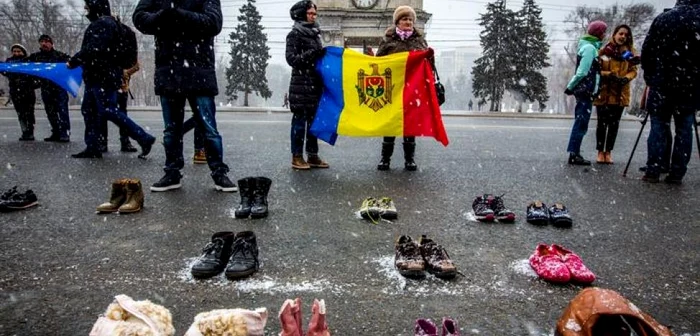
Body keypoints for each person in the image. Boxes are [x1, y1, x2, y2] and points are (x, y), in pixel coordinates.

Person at [134, 0, 237, 192]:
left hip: (199, 70)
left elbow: (214, 22)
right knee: (172, 129)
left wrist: (180, 16)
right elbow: (139, 18)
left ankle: (219, 172)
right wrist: (163, 16)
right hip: (170, 70)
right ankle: (172, 172)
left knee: (208, 128)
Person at [67, 0, 156, 159]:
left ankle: (143, 138)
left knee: (108, 110)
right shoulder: (107, 23)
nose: (85, 10)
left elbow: (94, 49)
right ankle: (92, 147)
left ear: (96, 7)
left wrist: (74, 60)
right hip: (98, 75)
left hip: (102, 76)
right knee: (90, 110)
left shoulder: (103, 24)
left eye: (88, 6)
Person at [641, 0, 699, 184]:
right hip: (690, 85)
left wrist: (651, 77)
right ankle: (677, 173)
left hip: (662, 82)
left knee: (659, 125)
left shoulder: (664, 18)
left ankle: (653, 170)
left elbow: (647, 51)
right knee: (684, 129)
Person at [375, 5, 429, 171]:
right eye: (405, 19)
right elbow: (378, 63)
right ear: (397, 22)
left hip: (413, 89)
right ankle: (385, 159)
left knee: (410, 124)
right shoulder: (388, 41)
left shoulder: (419, 41)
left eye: (411, 20)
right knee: (390, 124)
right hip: (392, 90)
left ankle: (409, 160)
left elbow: (428, 64)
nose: (409, 22)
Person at [285, 0, 330, 170]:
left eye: (314, 13)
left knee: (314, 123)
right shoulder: (294, 34)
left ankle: (312, 156)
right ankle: (296, 156)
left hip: (315, 84)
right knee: (299, 123)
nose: (313, 16)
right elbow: (292, 59)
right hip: (301, 84)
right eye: (310, 13)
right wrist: (313, 53)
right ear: (301, 14)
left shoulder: (315, 33)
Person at [593, 24, 640, 164]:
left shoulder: (630, 53)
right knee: (602, 124)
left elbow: (634, 70)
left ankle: (608, 152)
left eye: (626, 35)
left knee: (614, 125)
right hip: (605, 92)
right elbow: (595, 70)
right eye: (621, 33)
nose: (623, 37)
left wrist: (626, 78)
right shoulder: (604, 51)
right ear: (614, 34)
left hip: (620, 94)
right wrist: (609, 75)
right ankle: (600, 152)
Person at [564, 20, 607, 166]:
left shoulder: (590, 47)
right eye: (603, 32)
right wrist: (570, 87)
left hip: (586, 90)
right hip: (585, 90)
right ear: (598, 33)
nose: (605, 35)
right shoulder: (589, 48)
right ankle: (574, 154)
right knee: (581, 123)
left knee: (581, 122)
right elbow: (582, 71)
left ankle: (574, 153)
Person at [28, 34, 71, 142]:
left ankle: (64, 133)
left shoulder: (60, 56)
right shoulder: (36, 57)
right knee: (50, 111)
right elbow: (23, 64)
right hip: (46, 88)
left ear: (51, 44)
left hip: (59, 88)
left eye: (46, 41)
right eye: (42, 41)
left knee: (62, 111)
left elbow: (71, 64)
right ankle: (56, 132)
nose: (44, 44)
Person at [100, 59, 140, 153]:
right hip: (111, 85)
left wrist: (124, 73)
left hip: (120, 86)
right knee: (110, 113)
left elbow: (136, 66)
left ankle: (122, 142)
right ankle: (105, 142)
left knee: (116, 113)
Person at [2, 44, 37, 141]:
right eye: (14, 51)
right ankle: (24, 131)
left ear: (23, 52)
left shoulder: (28, 61)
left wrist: (32, 85)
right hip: (15, 92)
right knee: (20, 113)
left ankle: (30, 132)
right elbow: (6, 73)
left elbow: (35, 75)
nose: (16, 53)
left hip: (28, 92)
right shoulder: (9, 62)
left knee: (29, 113)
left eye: (18, 51)